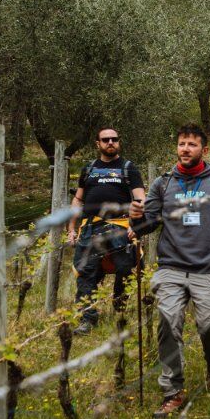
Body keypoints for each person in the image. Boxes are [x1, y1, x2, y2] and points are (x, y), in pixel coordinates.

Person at [131, 124, 210, 418]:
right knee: (168, 322)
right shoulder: (163, 184)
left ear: (204, 150)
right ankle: (173, 390)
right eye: (182, 144)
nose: (185, 149)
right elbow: (147, 225)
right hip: (171, 266)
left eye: (192, 145)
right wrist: (135, 219)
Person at [66, 127, 145, 336]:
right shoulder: (89, 169)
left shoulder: (129, 169)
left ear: (119, 142)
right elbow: (78, 200)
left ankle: (119, 309)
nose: (110, 142)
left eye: (114, 139)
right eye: (106, 140)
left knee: (125, 268)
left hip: (121, 227)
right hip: (91, 227)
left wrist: (137, 227)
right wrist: (71, 228)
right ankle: (87, 319)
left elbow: (140, 200)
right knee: (86, 272)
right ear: (97, 144)